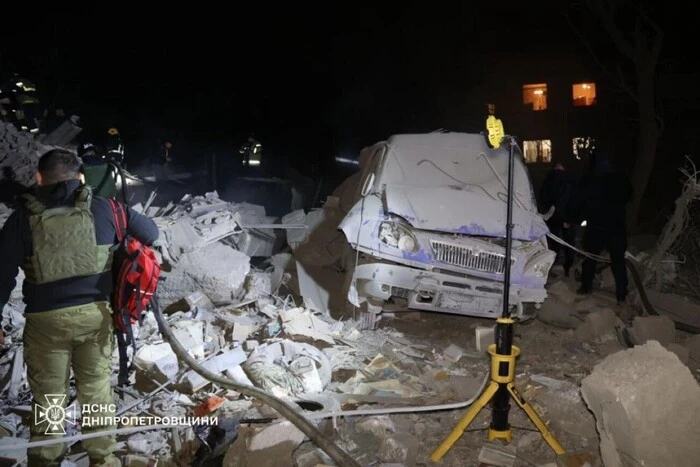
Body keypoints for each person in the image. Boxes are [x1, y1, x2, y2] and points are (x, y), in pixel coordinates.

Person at [0, 149, 159, 466]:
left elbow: (2, 272)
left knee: (48, 397)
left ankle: (46, 459)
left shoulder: (23, 218)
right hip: (94, 318)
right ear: (81, 178)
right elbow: (151, 233)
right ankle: (103, 457)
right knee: (97, 390)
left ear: (39, 178)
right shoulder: (107, 209)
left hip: (45, 323)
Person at [567, 149, 633, 304]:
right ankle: (621, 293)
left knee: (591, 257)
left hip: (597, 225)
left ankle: (586, 287)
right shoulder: (620, 178)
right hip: (615, 225)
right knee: (617, 260)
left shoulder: (591, 178)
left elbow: (579, 200)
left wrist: (572, 217)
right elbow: (629, 195)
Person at [539, 161, 576, 276]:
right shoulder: (569, 179)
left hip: (552, 217)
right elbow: (571, 199)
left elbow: (542, 198)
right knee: (569, 243)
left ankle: (551, 267)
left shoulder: (548, 179)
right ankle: (567, 268)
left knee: (554, 243)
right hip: (566, 217)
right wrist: (569, 218)